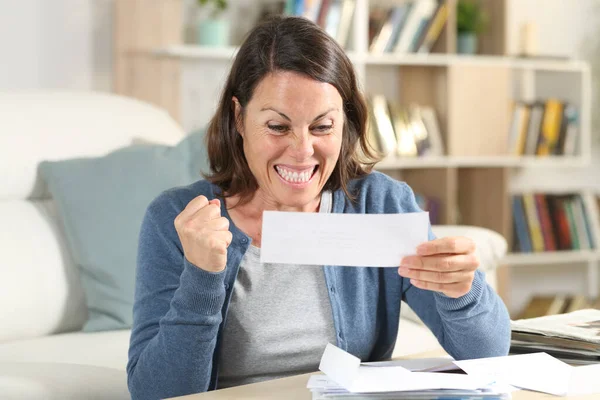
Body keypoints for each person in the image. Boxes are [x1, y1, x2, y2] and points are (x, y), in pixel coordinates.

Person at [127, 15, 510, 400]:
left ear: (345, 123)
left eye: (322, 127)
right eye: (278, 127)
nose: (302, 150)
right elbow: (154, 393)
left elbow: (489, 355)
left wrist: (462, 290)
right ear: (239, 118)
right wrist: (201, 278)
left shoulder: (381, 204)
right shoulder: (177, 220)